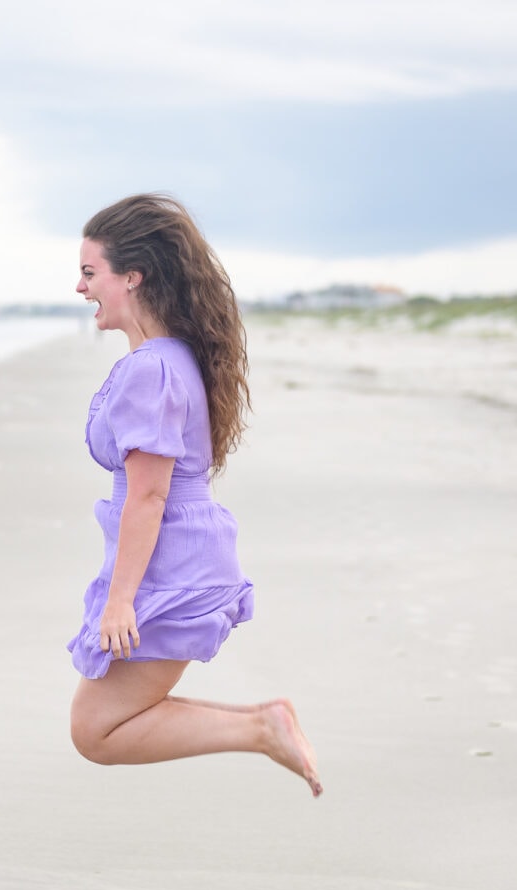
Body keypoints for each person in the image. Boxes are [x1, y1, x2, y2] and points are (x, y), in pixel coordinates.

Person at [66, 194, 322, 795]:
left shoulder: (152, 368)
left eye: (88, 272)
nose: (80, 288)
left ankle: (263, 728)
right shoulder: (169, 357)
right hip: (177, 555)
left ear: (132, 276)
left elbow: (148, 496)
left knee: (96, 731)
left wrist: (121, 600)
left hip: (168, 566)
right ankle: (263, 725)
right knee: (97, 727)